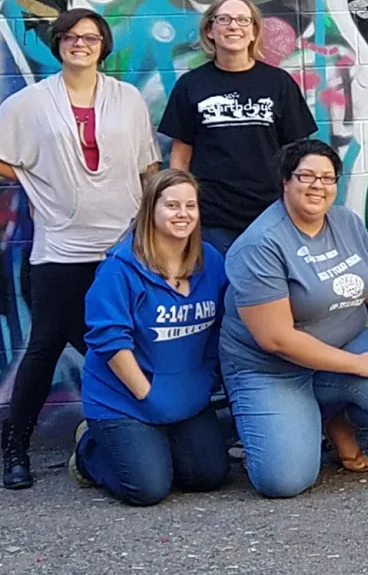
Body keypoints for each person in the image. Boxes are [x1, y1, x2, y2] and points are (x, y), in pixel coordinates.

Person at [0, 8, 161, 489]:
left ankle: (141, 432)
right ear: (58, 44)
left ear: (103, 45)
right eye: (70, 36)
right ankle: (16, 448)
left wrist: (154, 227)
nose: (80, 43)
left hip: (121, 243)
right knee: (46, 343)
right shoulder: (33, 102)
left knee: (132, 340)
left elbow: (147, 165)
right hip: (60, 244)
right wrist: (29, 179)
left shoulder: (127, 98)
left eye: (90, 37)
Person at [219, 139, 368, 498]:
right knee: (284, 481)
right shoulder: (261, 244)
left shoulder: (346, 222)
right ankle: (275, 427)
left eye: (327, 178)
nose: (318, 186)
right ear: (285, 180)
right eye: (306, 176)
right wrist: (358, 365)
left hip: (341, 345)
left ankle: (334, 424)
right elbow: (276, 339)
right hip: (271, 367)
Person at [70, 169, 230, 505]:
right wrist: (147, 394)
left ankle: (159, 443)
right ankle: (89, 452)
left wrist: (206, 379)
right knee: (147, 490)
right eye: (172, 205)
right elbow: (109, 340)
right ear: (150, 210)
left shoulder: (211, 263)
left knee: (208, 476)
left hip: (187, 397)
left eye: (190, 205)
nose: (182, 214)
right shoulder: (121, 268)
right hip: (125, 400)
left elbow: (220, 329)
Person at [159, 0, 317, 255]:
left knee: (271, 291)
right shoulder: (190, 85)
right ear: (210, 30)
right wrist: (185, 207)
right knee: (220, 291)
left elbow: (298, 155)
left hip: (272, 214)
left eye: (243, 20)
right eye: (224, 19)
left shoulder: (278, 83)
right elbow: (180, 159)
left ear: (254, 32)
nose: (234, 26)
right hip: (212, 219)